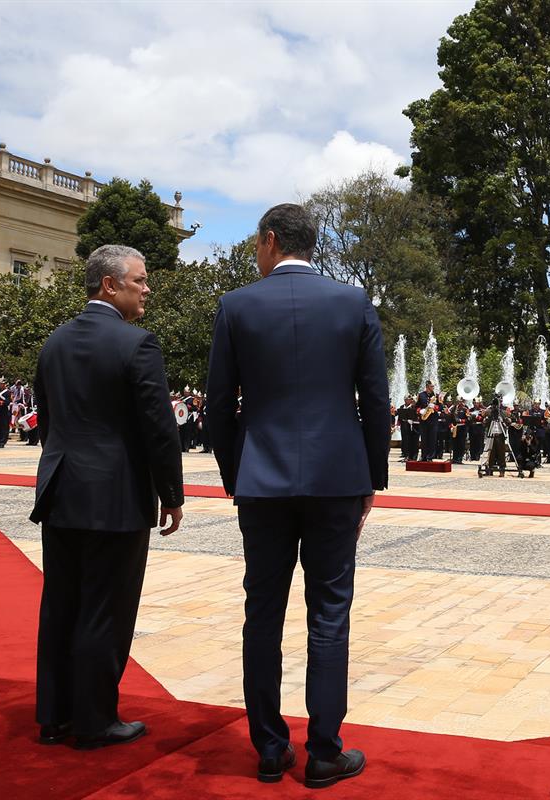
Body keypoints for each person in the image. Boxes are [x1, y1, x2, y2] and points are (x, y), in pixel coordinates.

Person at [206, 203, 387, 789]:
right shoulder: (353, 303)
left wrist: (240, 475)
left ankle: (268, 745)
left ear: (270, 239)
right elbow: (375, 402)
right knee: (329, 614)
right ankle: (325, 751)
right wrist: (370, 477)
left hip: (263, 480)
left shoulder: (236, 306)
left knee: (262, 614)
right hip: (337, 479)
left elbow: (217, 407)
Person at [29, 244, 184, 751]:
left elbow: (49, 422)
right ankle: (95, 721)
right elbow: (159, 428)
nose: (147, 288)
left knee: (62, 604)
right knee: (105, 609)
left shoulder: (53, 342)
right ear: (109, 285)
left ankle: (55, 716)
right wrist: (171, 494)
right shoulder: (136, 344)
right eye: (140, 280)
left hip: (62, 488)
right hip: (114, 495)